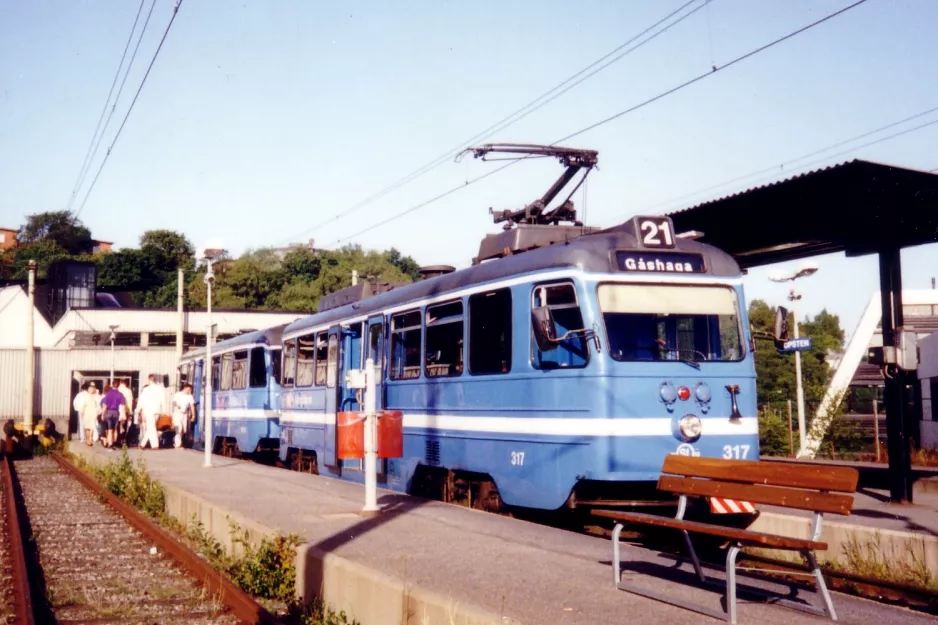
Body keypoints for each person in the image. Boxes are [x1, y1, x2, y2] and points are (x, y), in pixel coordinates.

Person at [137, 374, 165, 450]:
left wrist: (138, 409)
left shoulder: (146, 390)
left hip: (148, 410)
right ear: (155, 379)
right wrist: (163, 410)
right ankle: (142, 444)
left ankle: (154, 445)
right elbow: (163, 400)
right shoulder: (160, 388)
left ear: (149, 380)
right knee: (151, 427)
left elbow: (141, 401)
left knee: (151, 428)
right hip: (157, 410)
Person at [100, 380, 125, 448]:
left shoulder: (108, 394)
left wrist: (102, 414)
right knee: (115, 429)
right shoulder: (120, 394)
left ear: (112, 385)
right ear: (118, 385)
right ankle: (114, 442)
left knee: (109, 429)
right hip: (116, 412)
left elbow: (104, 405)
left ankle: (110, 443)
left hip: (108, 412)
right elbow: (122, 405)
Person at [171, 383, 194, 449]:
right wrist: (177, 405)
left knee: (183, 430)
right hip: (178, 413)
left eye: (190, 390)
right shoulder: (178, 394)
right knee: (179, 429)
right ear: (185, 388)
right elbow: (174, 402)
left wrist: (193, 415)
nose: (190, 391)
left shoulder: (190, 396)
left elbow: (192, 406)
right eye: (189, 389)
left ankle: (175, 440)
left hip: (185, 414)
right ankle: (178, 444)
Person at [77, 382, 100, 447]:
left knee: (87, 428)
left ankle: (88, 440)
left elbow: (83, 406)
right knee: (91, 427)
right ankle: (90, 439)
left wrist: (82, 412)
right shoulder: (95, 397)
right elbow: (97, 406)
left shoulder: (85, 397)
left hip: (87, 413)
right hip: (93, 414)